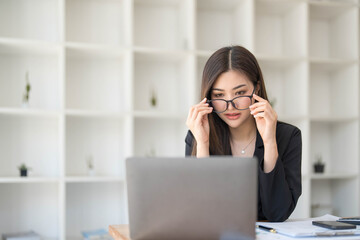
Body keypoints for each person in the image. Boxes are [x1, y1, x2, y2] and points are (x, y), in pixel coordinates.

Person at [185, 46, 302, 222]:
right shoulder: (197, 135)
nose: (230, 106)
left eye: (239, 93)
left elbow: (278, 213)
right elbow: (201, 213)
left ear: (257, 89)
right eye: (219, 95)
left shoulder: (288, 136)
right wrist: (203, 145)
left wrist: (270, 142)